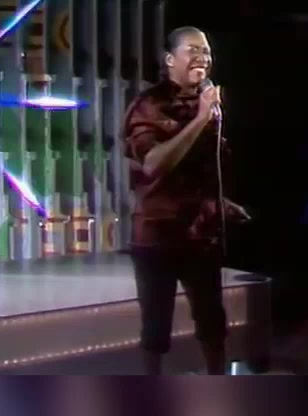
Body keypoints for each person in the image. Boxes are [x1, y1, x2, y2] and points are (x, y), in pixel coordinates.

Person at [121, 26, 250, 375]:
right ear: (169, 59)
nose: (202, 58)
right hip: (158, 236)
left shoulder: (207, 103)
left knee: (213, 322)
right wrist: (199, 120)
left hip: (202, 234)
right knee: (156, 329)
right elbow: (153, 164)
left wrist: (220, 203)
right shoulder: (149, 105)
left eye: (205, 51)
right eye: (192, 50)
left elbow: (203, 169)